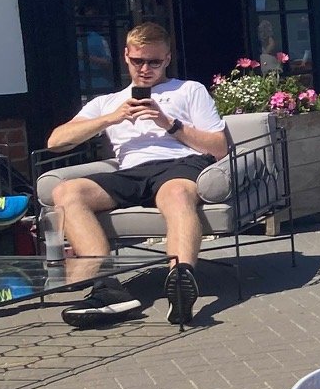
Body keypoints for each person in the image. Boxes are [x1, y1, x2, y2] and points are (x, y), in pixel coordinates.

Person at [48, 22, 228, 329]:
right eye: (138, 61)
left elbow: (220, 147)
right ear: (126, 56)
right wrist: (111, 117)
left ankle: (181, 281)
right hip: (130, 172)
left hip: (178, 163)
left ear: (168, 58)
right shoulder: (107, 102)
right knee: (67, 192)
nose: (146, 69)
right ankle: (108, 286)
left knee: (176, 194)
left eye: (154, 62)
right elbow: (56, 141)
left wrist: (168, 122)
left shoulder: (188, 90)